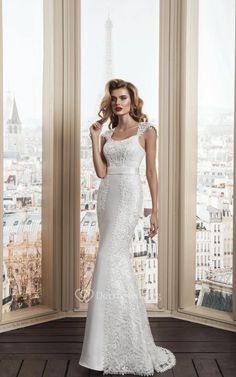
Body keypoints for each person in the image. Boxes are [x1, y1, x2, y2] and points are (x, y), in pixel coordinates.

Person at [79, 79, 176, 375]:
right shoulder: (107, 134)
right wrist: (94, 140)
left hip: (129, 197)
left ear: (133, 101)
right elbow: (101, 172)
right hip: (107, 196)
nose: (118, 103)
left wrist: (155, 210)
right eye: (114, 99)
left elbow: (150, 171)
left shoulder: (147, 131)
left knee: (110, 258)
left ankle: (123, 339)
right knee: (111, 262)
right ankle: (104, 344)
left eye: (123, 98)